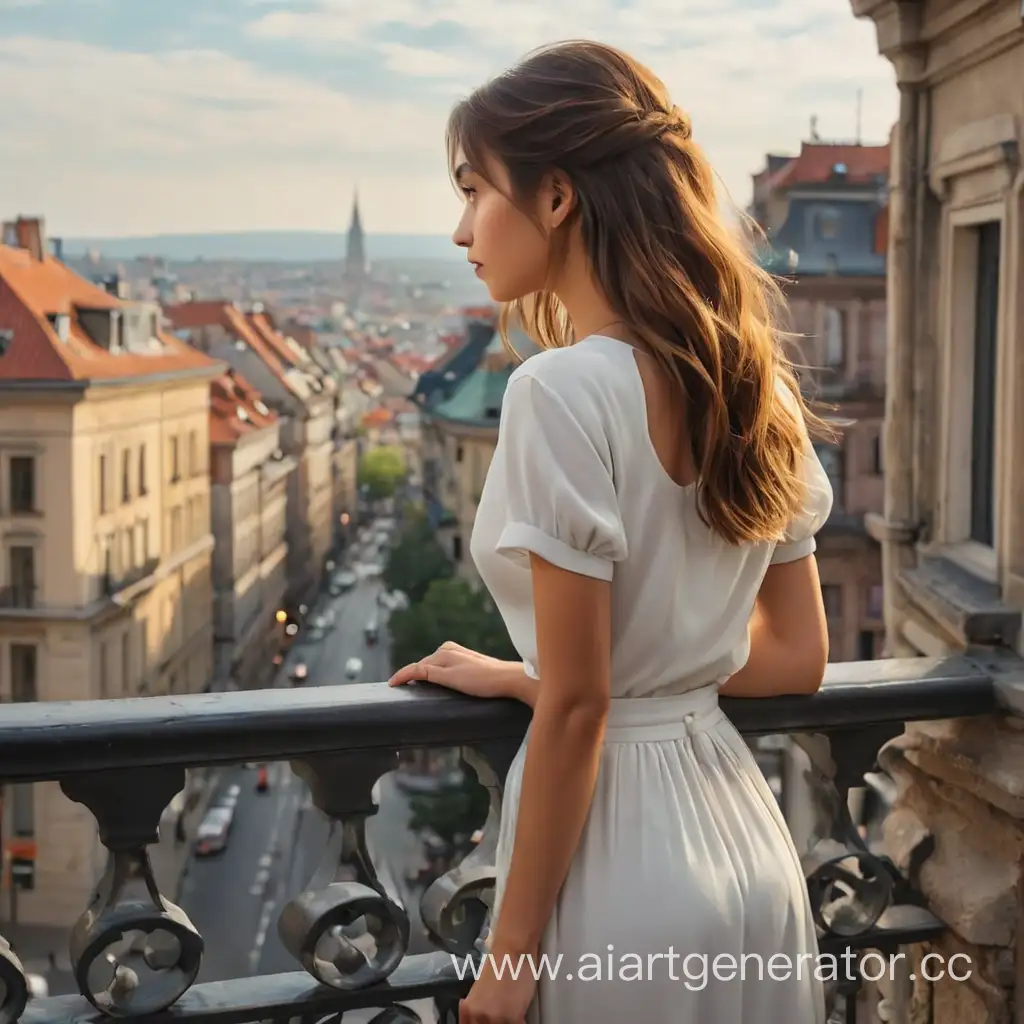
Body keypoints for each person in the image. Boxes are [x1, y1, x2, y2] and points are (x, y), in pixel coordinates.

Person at [389, 39, 833, 1024]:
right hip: (746, 846)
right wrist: (551, 680)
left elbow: (586, 710)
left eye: (473, 189)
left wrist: (506, 963)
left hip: (624, 861)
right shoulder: (756, 389)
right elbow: (798, 658)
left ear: (555, 197)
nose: (463, 228)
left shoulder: (557, 387)